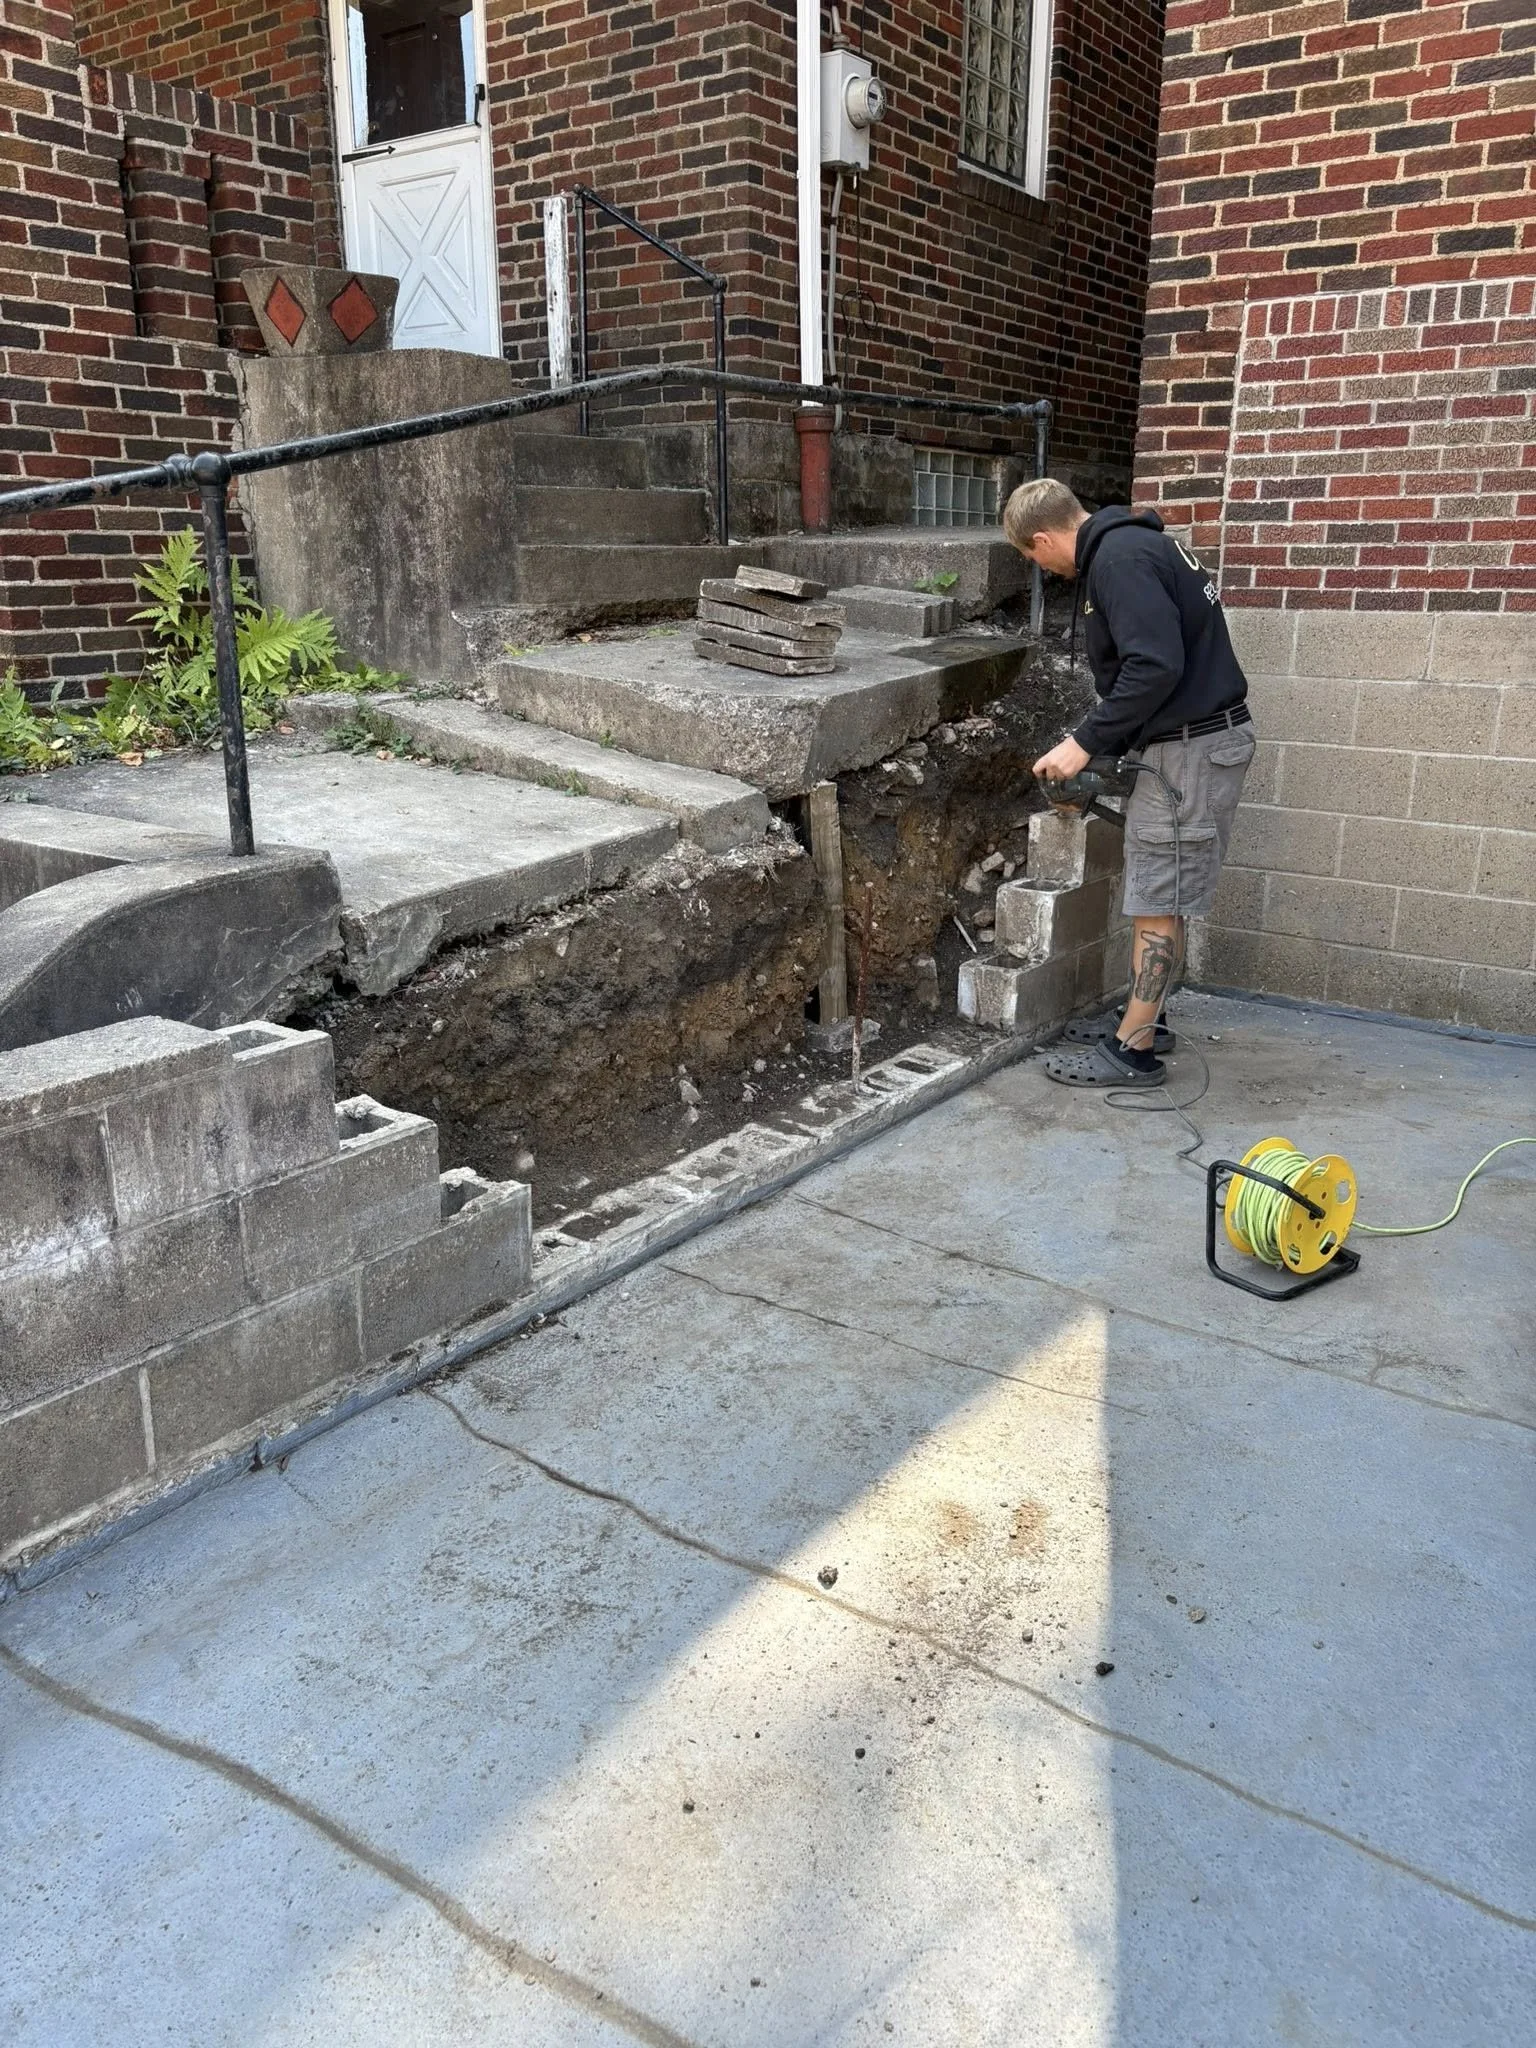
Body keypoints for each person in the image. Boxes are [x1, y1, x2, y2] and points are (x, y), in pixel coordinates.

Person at [1003, 478, 1255, 1088]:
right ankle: (1149, 1019)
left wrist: (1084, 742)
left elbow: (1154, 666)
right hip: (1188, 744)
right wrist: (1107, 750)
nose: (1044, 570)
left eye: (1034, 558)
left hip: (1190, 751)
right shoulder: (1136, 547)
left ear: (1043, 539)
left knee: (1156, 900)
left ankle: (1133, 1050)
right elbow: (1153, 667)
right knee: (1162, 892)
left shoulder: (1118, 560)